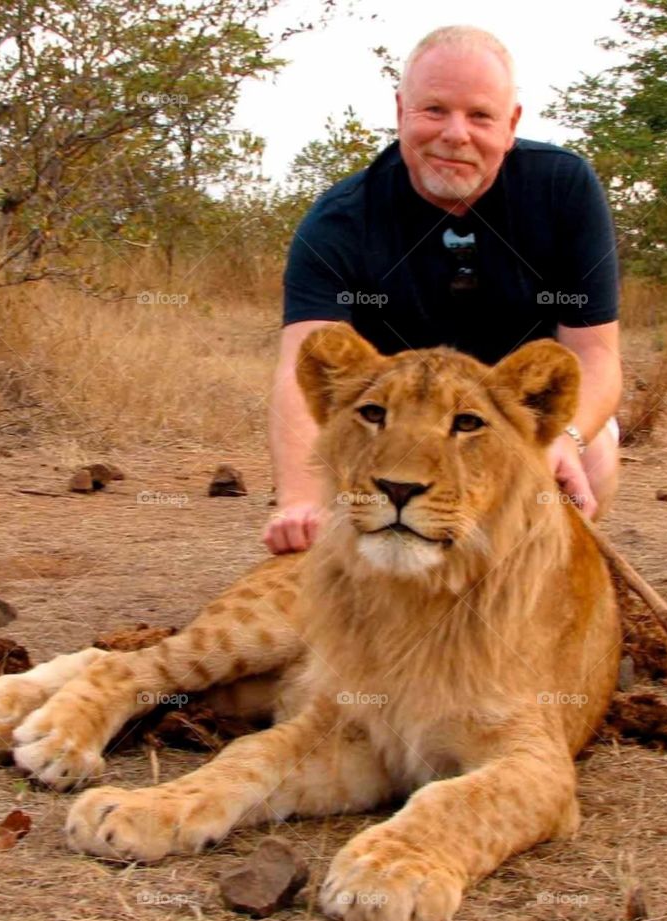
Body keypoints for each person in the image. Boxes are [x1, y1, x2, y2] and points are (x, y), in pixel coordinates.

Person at [264, 25, 622, 555]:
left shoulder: (562, 189)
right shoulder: (339, 221)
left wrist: (562, 439)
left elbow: (596, 354)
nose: (456, 134)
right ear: (401, 110)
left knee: (594, 455)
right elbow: (304, 366)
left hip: (504, 421)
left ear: (511, 124)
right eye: (434, 110)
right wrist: (299, 500)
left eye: (480, 116)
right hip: (393, 423)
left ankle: (526, 572)